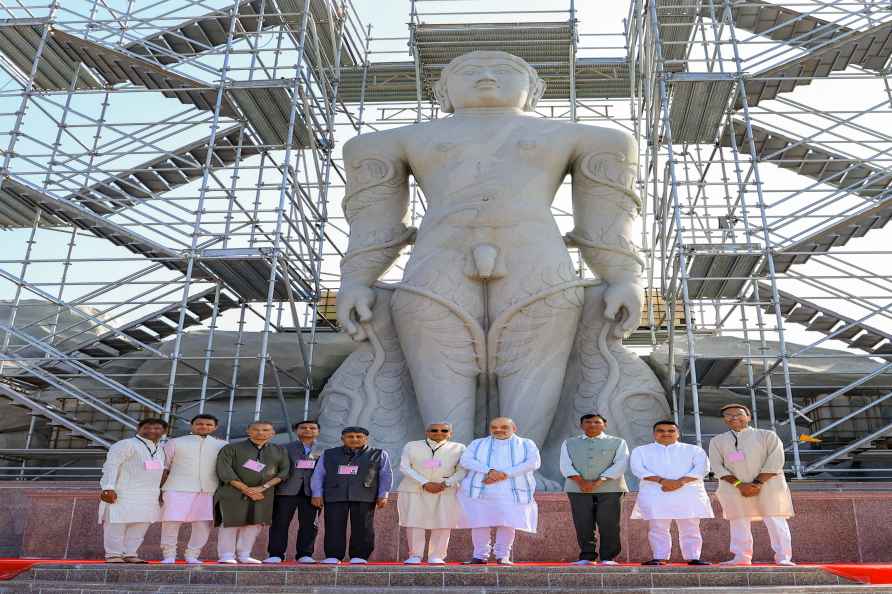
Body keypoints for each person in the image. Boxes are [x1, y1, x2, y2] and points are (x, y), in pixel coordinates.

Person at [709, 404, 795, 566]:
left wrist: (757, 483)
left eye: (739, 414)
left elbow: (776, 461)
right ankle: (741, 557)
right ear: (724, 419)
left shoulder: (767, 435)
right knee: (738, 520)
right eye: (728, 415)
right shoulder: (717, 441)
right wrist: (740, 485)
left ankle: (783, 557)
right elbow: (717, 466)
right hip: (734, 487)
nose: (734, 417)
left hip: (768, 485)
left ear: (749, 417)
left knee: (775, 520)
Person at [629, 420, 713, 566]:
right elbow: (638, 469)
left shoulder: (694, 450)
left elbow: (702, 469)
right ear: (654, 434)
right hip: (656, 492)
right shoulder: (641, 450)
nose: (666, 433)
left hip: (687, 493)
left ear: (678, 433)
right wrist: (662, 481)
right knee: (657, 527)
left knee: (690, 526)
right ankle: (659, 557)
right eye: (661, 431)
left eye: (671, 431)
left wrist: (679, 482)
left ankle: (693, 557)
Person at [458, 417, 540, 565]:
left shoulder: (526, 444)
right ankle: (479, 555)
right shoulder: (478, 444)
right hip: (481, 491)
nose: (498, 430)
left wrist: (504, 474)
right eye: (494, 427)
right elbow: (466, 460)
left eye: (503, 427)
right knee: (479, 523)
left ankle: (503, 556)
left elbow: (533, 462)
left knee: (507, 523)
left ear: (513, 428)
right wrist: (489, 471)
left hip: (511, 491)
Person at [310, 426, 393, 564]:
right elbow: (318, 474)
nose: (354, 439)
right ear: (342, 439)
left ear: (366, 439)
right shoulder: (329, 454)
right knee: (333, 526)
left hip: (365, 494)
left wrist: (383, 494)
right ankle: (333, 555)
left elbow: (386, 475)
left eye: (359, 436)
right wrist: (317, 493)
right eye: (350, 436)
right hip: (335, 494)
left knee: (363, 527)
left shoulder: (379, 454)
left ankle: (360, 556)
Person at [214, 420, 289, 564]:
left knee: (254, 524)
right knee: (230, 523)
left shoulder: (279, 450)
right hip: (233, 492)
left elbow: (284, 472)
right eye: (256, 429)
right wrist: (246, 489)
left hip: (263, 494)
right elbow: (224, 470)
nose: (261, 433)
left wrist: (263, 487)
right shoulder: (231, 448)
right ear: (248, 431)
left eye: (266, 430)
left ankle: (244, 554)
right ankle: (226, 555)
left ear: (273, 433)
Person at [559, 413, 629, 565]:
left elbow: (621, 463)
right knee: (583, 523)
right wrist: (581, 482)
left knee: (609, 523)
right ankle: (586, 557)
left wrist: (599, 481)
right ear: (581, 425)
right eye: (588, 422)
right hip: (578, 489)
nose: (592, 425)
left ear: (605, 424)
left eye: (597, 422)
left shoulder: (618, 442)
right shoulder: (569, 443)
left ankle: (608, 557)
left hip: (611, 488)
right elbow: (565, 465)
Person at [159, 414, 227, 564]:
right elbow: (164, 466)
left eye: (209, 425)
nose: (204, 427)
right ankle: (169, 555)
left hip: (209, 489)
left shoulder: (222, 445)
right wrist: (159, 489)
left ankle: (193, 555)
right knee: (171, 522)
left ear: (215, 427)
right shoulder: (175, 442)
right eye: (200, 424)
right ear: (192, 425)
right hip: (177, 487)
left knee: (202, 524)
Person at [99, 418, 168, 563]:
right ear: (139, 428)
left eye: (157, 428)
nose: (152, 431)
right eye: (148, 427)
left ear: (164, 432)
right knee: (117, 524)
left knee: (140, 525)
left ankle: (130, 553)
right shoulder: (126, 444)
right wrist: (108, 487)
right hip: (124, 492)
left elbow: (160, 472)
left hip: (149, 495)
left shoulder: (160, 449)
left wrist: (161, 492)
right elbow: (111, 466)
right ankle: (113, 554)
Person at [397, 422, 467, 564]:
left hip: (445, 490)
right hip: (415, 489)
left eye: (444, 430)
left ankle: (436, 555)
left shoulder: (459, 448)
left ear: (450, 433)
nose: (438, 433)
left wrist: (446, 484)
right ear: (427, 432)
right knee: (414, 522)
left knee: (443, 522)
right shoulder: (412, 445)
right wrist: (424, 482)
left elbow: (463, 470)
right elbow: (404, 467)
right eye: (434, 430)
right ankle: (415, 555)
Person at [264, 420, 323, 564]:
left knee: (310, 524)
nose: (308, 430)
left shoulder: (326, 450)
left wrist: (320, 493)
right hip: (286, 491)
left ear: (318, 432)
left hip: (312, 492)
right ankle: (276, 554)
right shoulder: (284, 448)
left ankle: (305, 554)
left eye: (312, 428)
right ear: (297, 431)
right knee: (280, 523)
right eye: (303, 428)